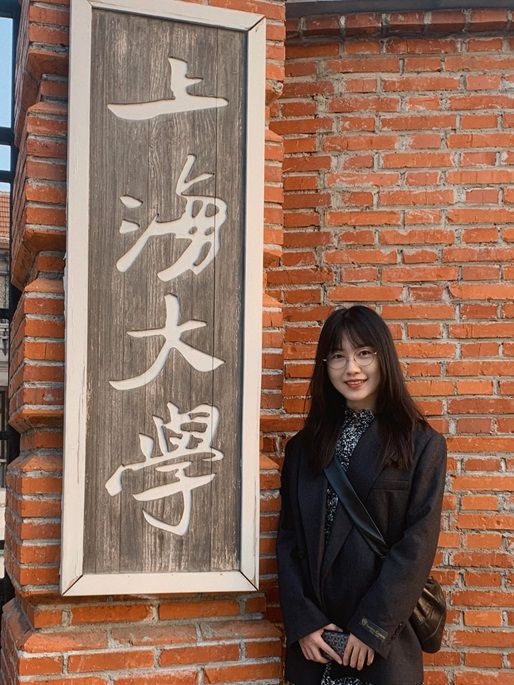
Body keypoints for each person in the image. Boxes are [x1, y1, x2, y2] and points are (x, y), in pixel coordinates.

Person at [276, 305, 447, 685]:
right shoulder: (302, 449)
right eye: (338, 356)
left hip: (380, 645)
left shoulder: (420, 445)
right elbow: (288, 541)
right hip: (316, 645)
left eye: (364, 353)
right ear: (325, 366)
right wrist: (304, 622)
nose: (351, 368)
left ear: (383, 357)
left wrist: (372, 627)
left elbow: (417, 545)